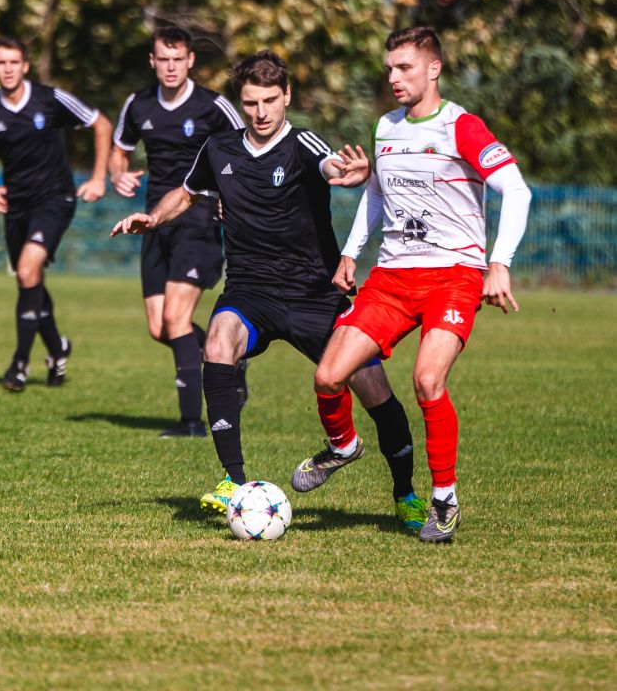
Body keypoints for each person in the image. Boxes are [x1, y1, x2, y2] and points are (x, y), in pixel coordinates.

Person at [111, 51, 426, 528]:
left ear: (287, 97)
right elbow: (188, 191)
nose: (260, 113)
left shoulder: (302, 143)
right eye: (251, 102)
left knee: (374, 389)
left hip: (313, 295)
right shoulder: (219, 148)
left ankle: (405, 495)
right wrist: (153, 217)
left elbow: (330, 167)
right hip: (250, 291)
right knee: (217, 343)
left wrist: (349, 175)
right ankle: (234, 483)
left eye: (270, 101)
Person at [299, 27, 532, 543]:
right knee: (328, 376)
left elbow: (517, 191)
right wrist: (350, 250)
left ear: (434, 68)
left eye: (404, 67)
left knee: (428, 381)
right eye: (389, 68)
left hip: (453, 277)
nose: (394, 77)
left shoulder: (462, 127)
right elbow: (377, 194)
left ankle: (444, 500)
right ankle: (342, 446)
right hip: (392, 277)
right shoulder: (386, 126)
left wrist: (500, 263)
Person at [109, 25, 244, 438]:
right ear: (153, 62)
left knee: (176, 318)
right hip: (155, 221)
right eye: (162, 60)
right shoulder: (138, 104)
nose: (170, 67)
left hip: (199, 221)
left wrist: (230, 192)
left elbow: (243, 148)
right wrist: (118, 175)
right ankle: (230, 362)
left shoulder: (213, 107)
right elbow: (120, 151)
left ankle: (191, 422)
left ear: (190, 61)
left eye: (177, 59)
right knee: (160, 328)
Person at [0, 36, 112, 390]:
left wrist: (97, 178)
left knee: (28, 269)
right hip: (16, 205)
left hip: (55, 199)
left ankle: (19, 364)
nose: (7, 69)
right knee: (28, 279)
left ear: (25, 66)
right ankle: (57, 348)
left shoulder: (50, 99)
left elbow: (102, 124)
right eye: (0, 63)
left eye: (13, 62)